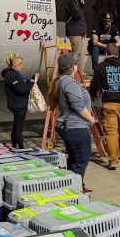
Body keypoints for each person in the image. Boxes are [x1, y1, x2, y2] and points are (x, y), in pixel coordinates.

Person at [47, 53, 96, 193]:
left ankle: (76, 185)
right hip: (76, 127)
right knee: (81, 160)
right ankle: (75, 191)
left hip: (70, 126)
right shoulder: (69, 83)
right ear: (73, 67)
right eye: (75, 64)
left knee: (74, 159)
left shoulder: (63, 81)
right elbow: (78, 106)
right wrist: (92, 120)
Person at [89, 43, 120, 170]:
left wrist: (92, 95)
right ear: (117, 53)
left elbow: (95, 84)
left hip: (109, 104)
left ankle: (113, 160)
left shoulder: (101, 67)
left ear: (106, 54)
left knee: (111, 133)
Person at [1, 52, 38, 149]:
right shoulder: (11, 75)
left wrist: (31, 80)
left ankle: (14, 146)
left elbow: (24, 83)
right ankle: (21, 148)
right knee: (18, 128)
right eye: (19, 64)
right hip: (18, 105)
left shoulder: (15, 74)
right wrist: (32, 84)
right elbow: (21, 89)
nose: (22, 66)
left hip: (17, 104)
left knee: (16, 126)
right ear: (13, 64)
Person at [64, 0, 87, 76]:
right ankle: (71, 74)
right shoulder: (71, 1)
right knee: (76, 54)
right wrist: (82, 5)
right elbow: (77, 14)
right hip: (74, 31)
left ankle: (81, 73)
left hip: (80, 31)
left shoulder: (76, 1)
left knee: (82, 54)